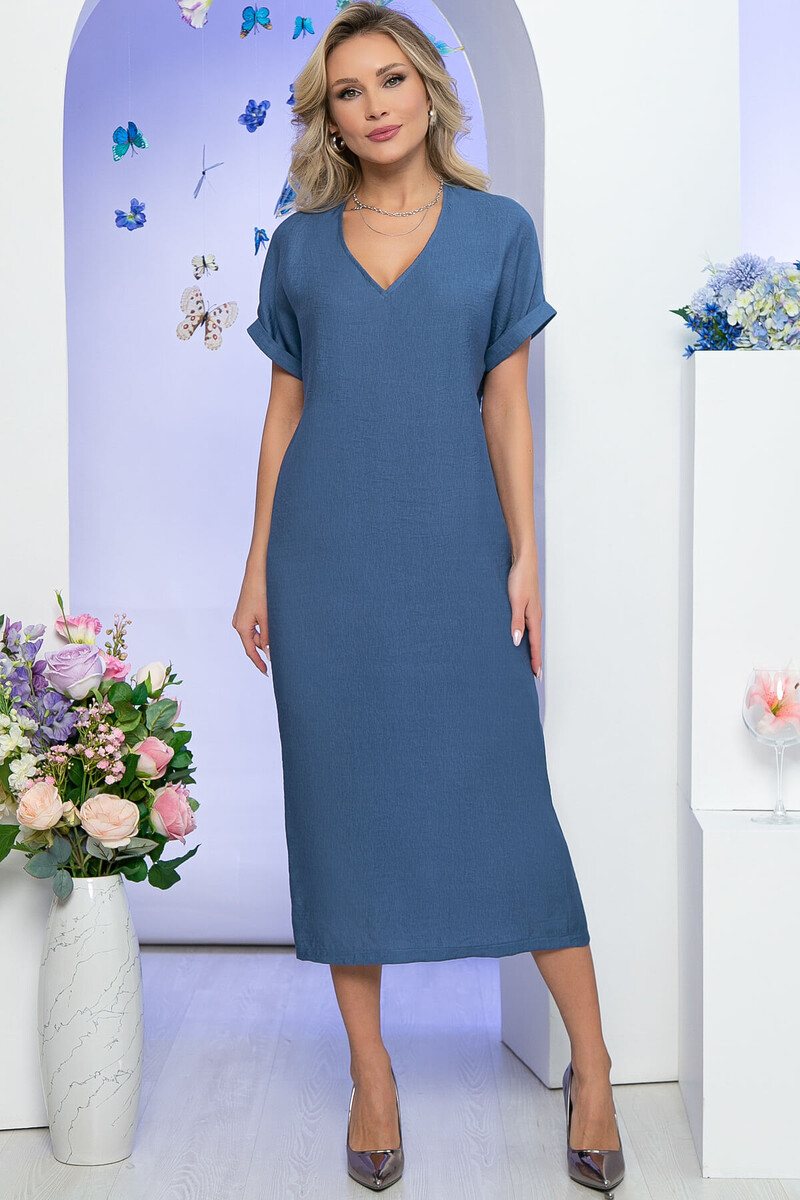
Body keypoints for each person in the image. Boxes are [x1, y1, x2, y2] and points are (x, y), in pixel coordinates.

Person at [232, 2, 624, 1192]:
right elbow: (284, 415)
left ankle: (595, 1066)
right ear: (328, 117)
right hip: (323, 568)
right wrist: (254, 565)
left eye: (390, 79)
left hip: (457, 557)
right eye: (348, 91)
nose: (374, 106)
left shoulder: (498, 232)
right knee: (340, 814)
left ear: (429, 89)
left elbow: (506, 403)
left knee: (510, 810)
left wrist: (525, 555)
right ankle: (371, 1076)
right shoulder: (298, 247)